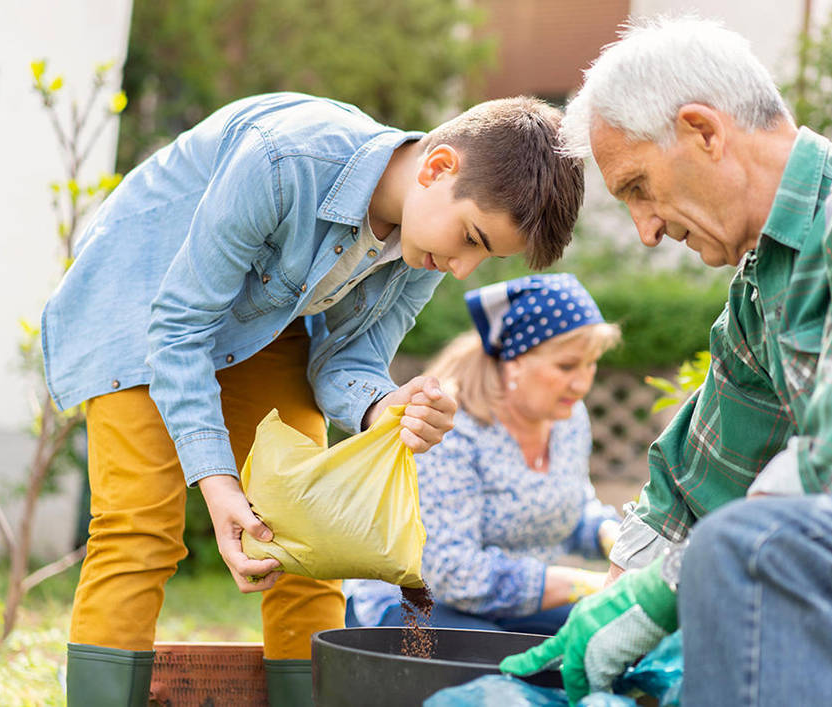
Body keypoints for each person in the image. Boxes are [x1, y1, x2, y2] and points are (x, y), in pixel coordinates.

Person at [501, 15, 832, 706]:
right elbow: (688, 499)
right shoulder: (761, 300)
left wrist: (666, 588)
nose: (645, 232)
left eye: (638, 186)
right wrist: (601, 618)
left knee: (749, 554)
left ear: (704, 131)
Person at [42, 92, 585, 706]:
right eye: (472, 238)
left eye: (484, 255)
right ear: (437, 167)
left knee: (308, 535)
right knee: (140, 531)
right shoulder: (285, 160)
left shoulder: (426, 244)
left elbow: (350, 361)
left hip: (266, 322)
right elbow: (180, 329)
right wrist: (218, 485)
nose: (463, 269)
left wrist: (387, 409)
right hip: (141, 309)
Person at [345, 273, 622, 635]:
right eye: (567, 366)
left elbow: (570, 506)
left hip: (506, 605)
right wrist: (588, 585)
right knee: (500, 663)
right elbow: (453, 573)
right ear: (514, 361)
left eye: (591, 363)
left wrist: (612, 535)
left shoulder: (567, 417)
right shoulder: (449, 427)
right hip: (413, 603)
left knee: (615, 632)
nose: (582, 382)